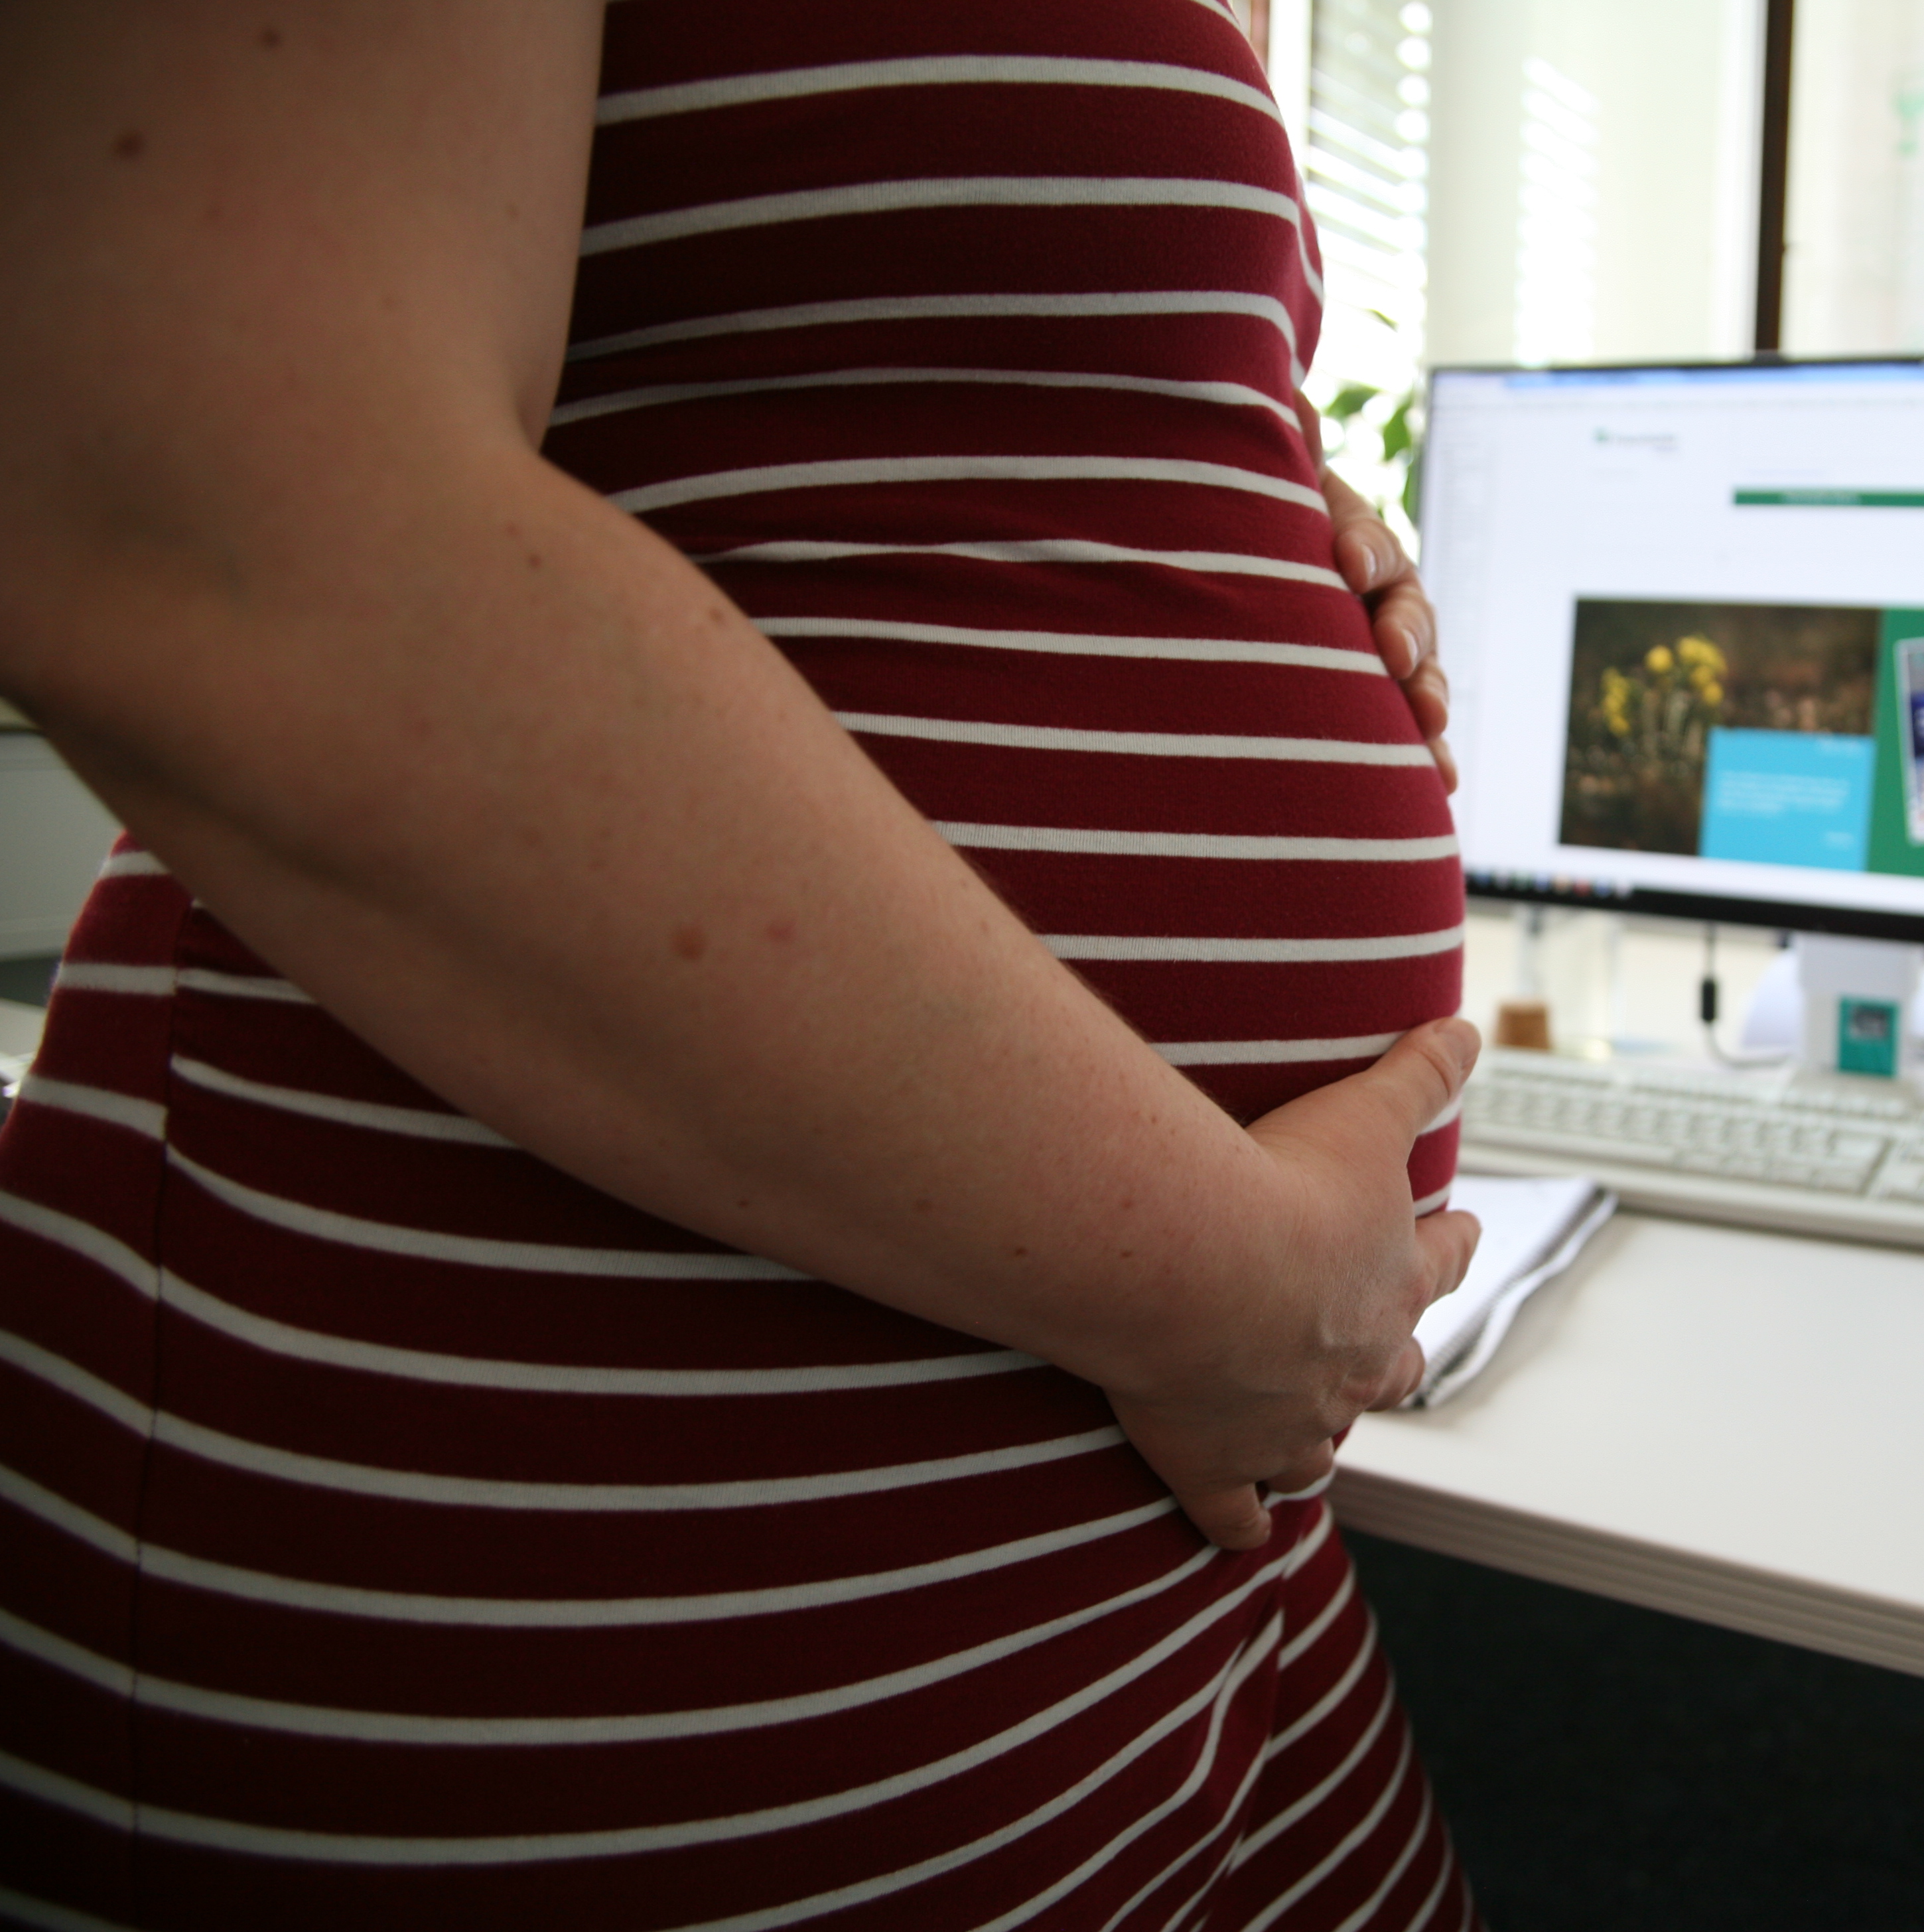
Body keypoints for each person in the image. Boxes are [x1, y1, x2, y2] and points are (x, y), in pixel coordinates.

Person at [0, 3, 1485, 1925]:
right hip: (583, 1487)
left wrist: (1212, 458)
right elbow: (199, 503)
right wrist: (1223, 1283)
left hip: (1167, 1500)